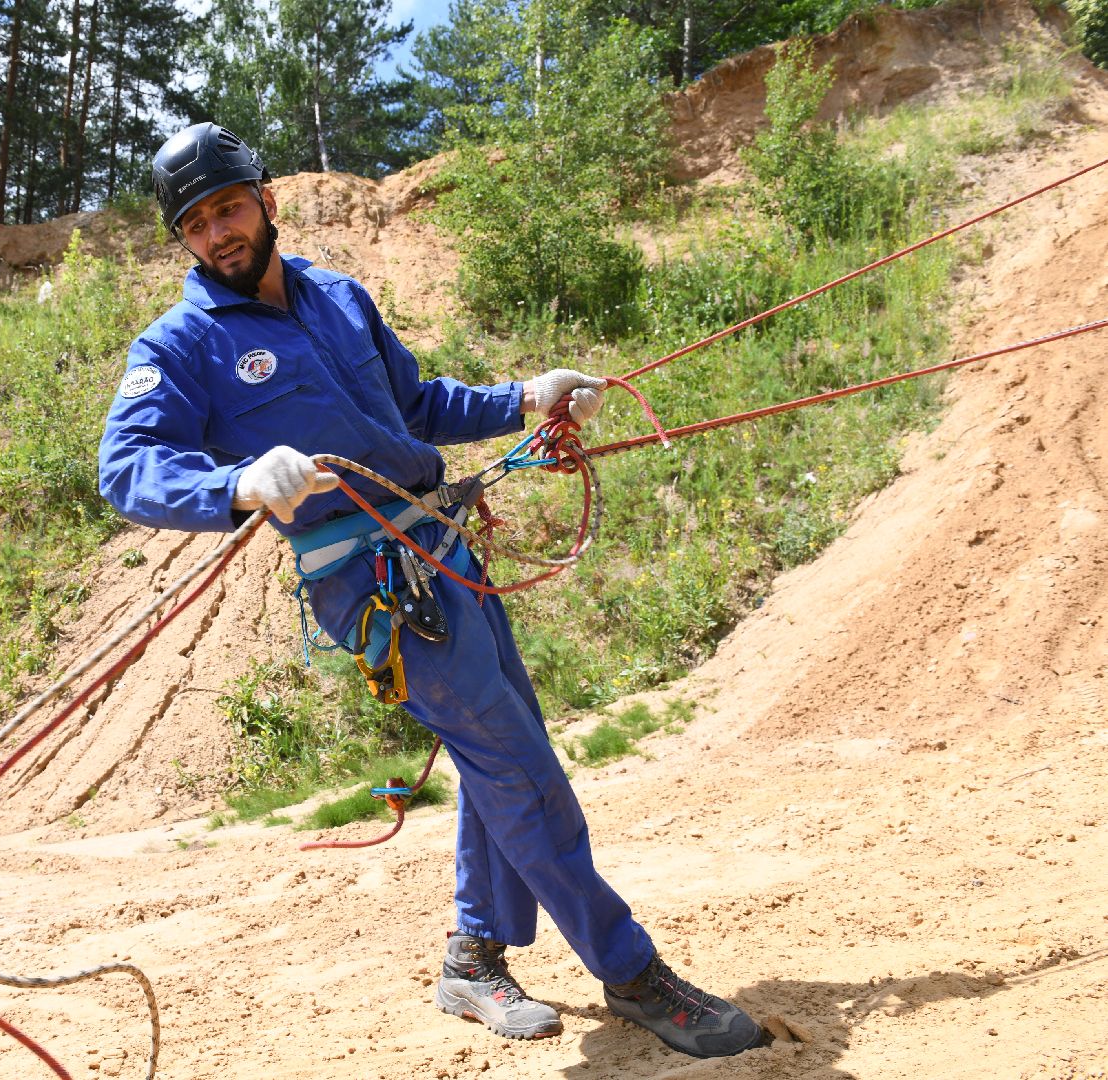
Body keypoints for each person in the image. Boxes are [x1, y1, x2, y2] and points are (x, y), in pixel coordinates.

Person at [97, 122, 765, 1059]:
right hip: (371, 581)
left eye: (230, 206)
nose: (219, 232)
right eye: (197, 222)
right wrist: (236, 485)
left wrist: (526, 396)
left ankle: (473, 956)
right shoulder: (178, 346)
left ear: (266, 201)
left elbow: (416, 407)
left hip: (445, 544)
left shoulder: (337, 296)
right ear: (184, 239)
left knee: (504, 751)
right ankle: (633, 973)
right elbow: (125, 470)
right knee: (521, 769)